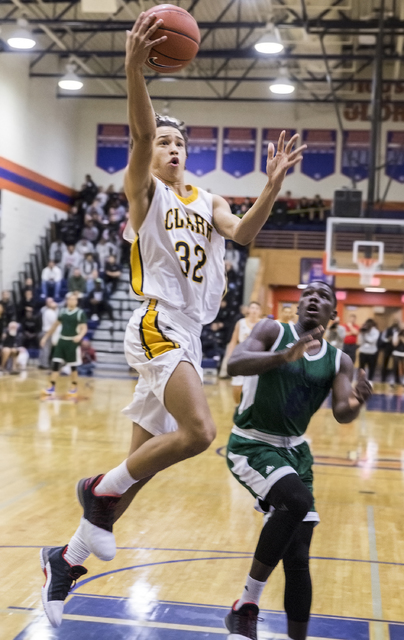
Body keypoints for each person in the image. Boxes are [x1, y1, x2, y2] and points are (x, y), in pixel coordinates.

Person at [39, 10, 306, 629]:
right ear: (150, 152)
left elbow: (242, 233)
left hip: (191, 330)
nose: (172, 147)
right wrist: (135, 71)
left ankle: (66, 558)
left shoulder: (207, 198)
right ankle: (93, 488)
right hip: (158, 322)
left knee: (138, 475)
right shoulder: (145, 192)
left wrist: (268, 187)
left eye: (179, 141)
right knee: (198, 433)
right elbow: (137, 137)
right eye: (164, 140)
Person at [224, 281, 372, 640]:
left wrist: (357, 401)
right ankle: (246, 605)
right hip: (252, 443)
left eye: (323, 297)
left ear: (332, 315)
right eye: (309, 294)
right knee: (296, 501)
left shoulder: (340, 360)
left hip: (296, 454)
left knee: (299, 557)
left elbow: (341, 413)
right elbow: (235, 364)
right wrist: (282, 357)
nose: (313, 299)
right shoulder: (272, 330)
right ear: (298, 304)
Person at [40, 292, 88, 397]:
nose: (72, 301)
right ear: (67, 301)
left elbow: (84, 328)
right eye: (70, 299)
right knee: (56, 364)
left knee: (73, 367)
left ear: (76, 301)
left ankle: (73, 386)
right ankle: (51, 387)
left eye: (74, 299)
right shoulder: (62, 312)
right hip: (62, 341)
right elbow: (54, 326)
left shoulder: (80, 313)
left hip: (72, 342)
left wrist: (80, 336)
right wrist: (45, 337)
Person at [224, 301, 263, 403]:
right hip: (241, 357)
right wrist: (230, 356)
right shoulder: (240, 323)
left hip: (257, 358)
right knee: (237, 385)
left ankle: (252, 410)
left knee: (256, 387)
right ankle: (238, 406)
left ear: (260, 311)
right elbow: (233, 341)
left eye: (257, 308)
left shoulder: (263, 323)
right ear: (248, 310)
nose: (254, 310)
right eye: (252, 308)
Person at [357, 318, 380, 384]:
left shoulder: (375, 331)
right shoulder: (363, 331)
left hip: (372, 352)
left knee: (371, 368)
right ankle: (361, 380)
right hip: (363, 351)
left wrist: (365, 334)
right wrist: (362, 332)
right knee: (361, 367)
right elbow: (360, 341)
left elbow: (372, 341)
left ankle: (370, 381)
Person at [38, 298, 58, 369]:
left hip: (45, 331)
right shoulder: (50, 312)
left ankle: (41, 363)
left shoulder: (47, 311)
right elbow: (55, 323)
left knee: (43, 349)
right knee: (46, 349)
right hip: (47, 332)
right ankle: (45, 364)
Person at [380, 318, 400, 383]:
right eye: (394, 321)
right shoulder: (388, 329)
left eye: (396, 321)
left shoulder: (399, 330)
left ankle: (397, 380)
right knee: (385, 363)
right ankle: (383, 379)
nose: (395, 323)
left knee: (396, 365)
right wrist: (388, 339)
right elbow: (383, 338)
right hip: (388, 347)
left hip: (396, 348)